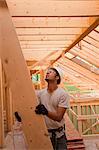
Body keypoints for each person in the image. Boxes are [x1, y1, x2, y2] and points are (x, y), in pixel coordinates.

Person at [35, 67, 70, 150]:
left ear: (57, 77)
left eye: (50, 72)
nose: (47, 73)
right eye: (47, 72)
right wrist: (22, 116)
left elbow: (58, 117)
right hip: (45, 135)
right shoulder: (40, 93)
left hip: (59, 136)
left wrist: (46, 112)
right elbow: (33, 109)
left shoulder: (63, 94)